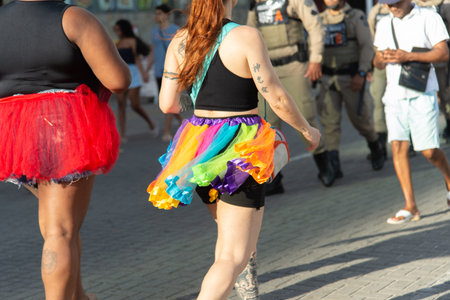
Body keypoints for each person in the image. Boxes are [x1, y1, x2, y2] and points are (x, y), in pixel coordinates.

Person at [146, 0, 320, 299]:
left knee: (229, 245)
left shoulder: (180, 39)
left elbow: (167, 104)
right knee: (232, 257)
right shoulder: (244, 36)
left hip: (199, 148)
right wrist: (308, 130)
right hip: (242, 150)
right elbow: (275, 97)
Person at [0, 1, 130, 299]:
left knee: (62, 225)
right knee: (60, 230)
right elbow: (119, 79)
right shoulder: (72, 18)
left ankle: (79, 295)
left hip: (11, 133)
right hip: (61, 127)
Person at [247, 0, 336, 192]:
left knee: (304, 115)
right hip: (267, 68)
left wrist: (316, 59)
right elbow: (249, 34)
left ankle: (324, 164)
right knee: (266, 124)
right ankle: (274, 177)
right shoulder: (255, 3)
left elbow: (314, 27)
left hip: (295, 65)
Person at [373, 0, 450, 224]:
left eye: (395, 2)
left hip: (422, 92)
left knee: (428, 150)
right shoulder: (383, 23)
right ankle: (411, 205)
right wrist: (381, 58)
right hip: (394, 94)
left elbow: (443, 53)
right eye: (387, 4)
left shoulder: (428, 17)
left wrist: (408, 56)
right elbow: (376, 62)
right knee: (397, 146)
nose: (391, 7)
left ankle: (447, 177)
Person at [317, 0, 385, 177]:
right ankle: (334, 165)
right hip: (327, 79)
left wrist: (362, 73)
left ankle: (376, 148)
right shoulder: (319, 19)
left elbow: (367, 47)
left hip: (351, 77)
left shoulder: (355, 16)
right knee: (329, 122)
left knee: (360, 120)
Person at [114, 19, 158, 142]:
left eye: (118, 29)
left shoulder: (132, 41)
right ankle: (122, 134)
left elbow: (137, 59)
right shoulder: (117, 43)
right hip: (120, 73)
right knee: (120, 104)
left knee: (135, 105)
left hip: (133, 73)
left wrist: (144, 73)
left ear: (124, 29)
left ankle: (151, 123)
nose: (117, 32)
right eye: (115, 30)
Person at [414, 0, 450, 141]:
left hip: (440, 59)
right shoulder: (409, 5)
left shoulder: (444, 5)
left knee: (444, 93)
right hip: (416, 61)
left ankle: (448, 123)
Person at [146, 4, 183, 142]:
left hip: (173, 72)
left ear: (167, 14)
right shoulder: (154, 32)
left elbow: (182, 51)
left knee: (169, 102)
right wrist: (146, 70)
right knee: (167, 103)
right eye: (156, 14)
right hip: (158, 71)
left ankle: (167, 132)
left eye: (159, 13)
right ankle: (184, 124)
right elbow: (152, 52)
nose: (157, 16)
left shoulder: (176, 30)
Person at [368, 2, 391, 160]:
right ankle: (381, 142)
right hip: (381, 62)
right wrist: (370, 66)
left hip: (405, 61)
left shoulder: (409, 6)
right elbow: (370, 39)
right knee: (378, 100)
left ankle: (411, 141)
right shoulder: (375, 12)